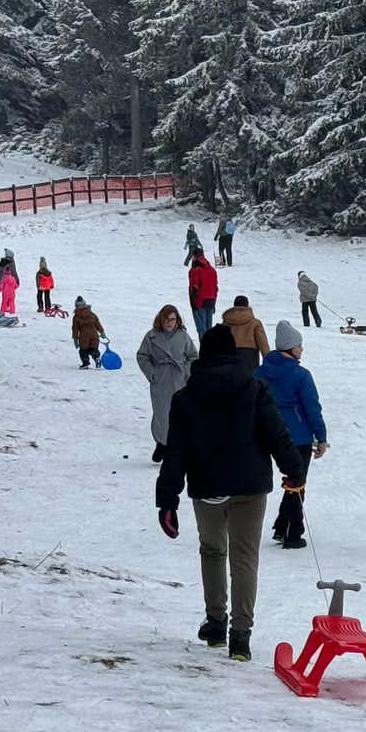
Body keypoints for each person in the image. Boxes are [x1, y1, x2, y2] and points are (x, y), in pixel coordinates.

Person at [156, 328, 304, 661]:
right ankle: (240, 635)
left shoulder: (185, 398)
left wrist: (167, 499)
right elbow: (275, 433)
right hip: (249, 486)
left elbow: (175, 452)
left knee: (211, 550)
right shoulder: (253, 388)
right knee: (244, 558)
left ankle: (215, 622)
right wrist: (293, 469)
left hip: (207, 487)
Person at [258, 322, 328, 549]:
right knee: (297, 483)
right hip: (297, 437)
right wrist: (322, 437)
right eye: (299, 346)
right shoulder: (300, 375)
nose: (302, 349)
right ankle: (292, 532)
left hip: (265, 433)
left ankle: (281, 525)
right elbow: (311, 407)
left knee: (292, 483)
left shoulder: (259, 373)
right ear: (290, 348)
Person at [136, 304, 198, 461]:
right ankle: (161, 443)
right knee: (162, 414)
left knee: (181, 414)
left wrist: (187, 371)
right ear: (161, 319)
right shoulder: (151, 337)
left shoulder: (183, 336)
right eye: (168, 319)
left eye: (173, 319)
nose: (171, 322)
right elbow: (142, 356)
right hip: (161, 380)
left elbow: (193, 356)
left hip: (180, 380)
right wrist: (152, 373)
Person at [187, 251, 219, 340]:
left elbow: (194, 287)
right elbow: (215, 288)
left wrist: (193, 303)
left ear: (194, 257)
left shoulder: (195, 270)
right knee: (209, 328)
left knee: (201, 328)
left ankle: (205, 351)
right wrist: (214, 303)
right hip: (211, 300)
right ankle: (210, 350)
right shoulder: (212, 270)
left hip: (199, 301)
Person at [71, 296, 105, 368]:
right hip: (94, 335)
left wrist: (75, 339)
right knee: (93, 349)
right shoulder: (92, 314)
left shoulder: (76, 317)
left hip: (84, 337)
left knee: (83, 350)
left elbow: (75, 329)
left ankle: (85, 363)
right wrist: (102, 332)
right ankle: (97, 358)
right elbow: (97, 324)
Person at [0, 250, 19, 315]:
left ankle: (3, 310)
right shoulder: (10, 263)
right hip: (12, 290)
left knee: (4, 301)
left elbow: (0, 272)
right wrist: (16, 284)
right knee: (12, 301)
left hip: (5, 290)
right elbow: (14, 272)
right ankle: (12, 310)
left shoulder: (3, 263)